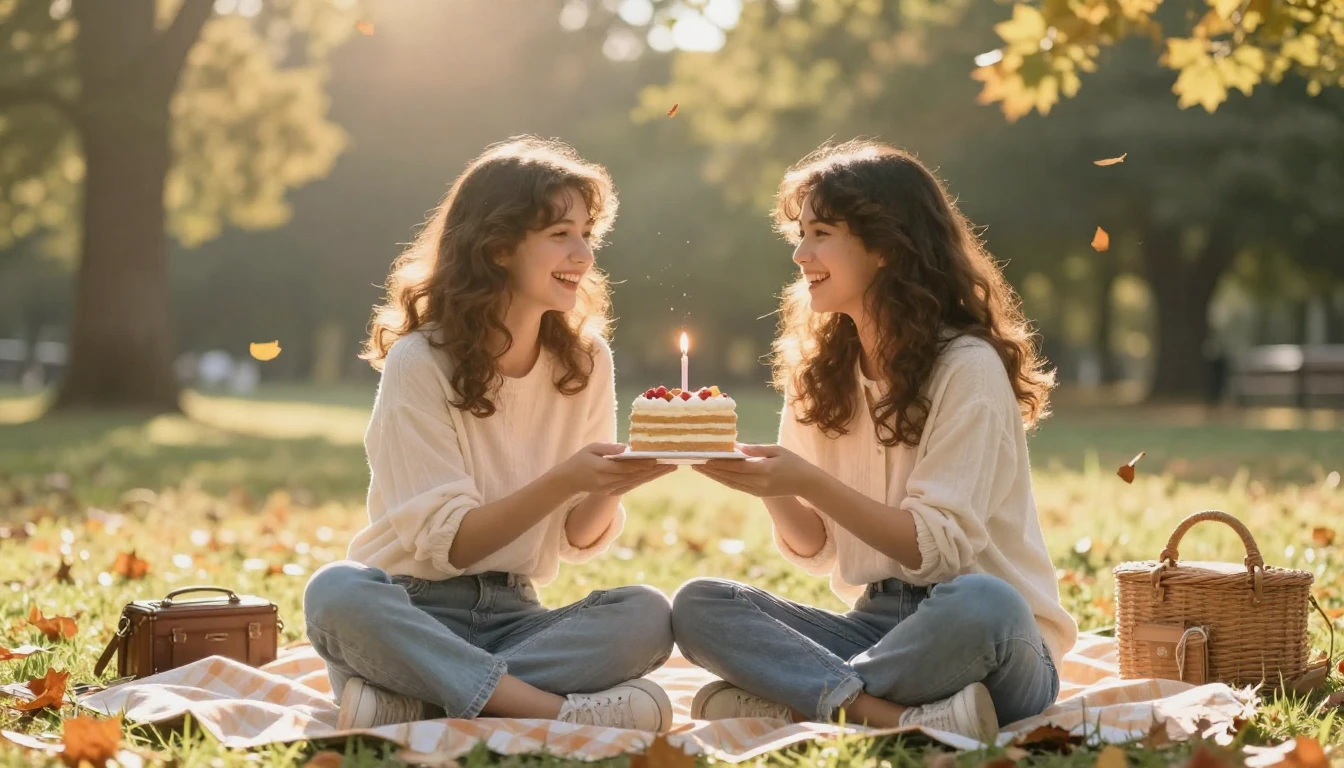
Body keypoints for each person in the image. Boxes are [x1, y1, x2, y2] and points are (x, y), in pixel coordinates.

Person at [673, 140, 1077, 743]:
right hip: (878, 628)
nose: (802, 253)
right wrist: (768, 485)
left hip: (988, 640)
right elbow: (816, 547)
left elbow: (936, 552)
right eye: (800, 234)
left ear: (886, 246)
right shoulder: (823, 371)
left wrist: (805, 479)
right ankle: (894, 719)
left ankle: (801, 700)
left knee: (983, 603)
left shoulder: (967, 366)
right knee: (699, 604)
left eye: (821, 233)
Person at [304, 137, 677, 731]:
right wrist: (568, 478)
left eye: (588, 234)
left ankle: (414, 696)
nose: (582, 253)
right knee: (335, 594)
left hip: (516, 614)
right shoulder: (419, 361)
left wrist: (612, 484)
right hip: (408, 605)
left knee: (647, 615)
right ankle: (547, 709)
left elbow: (577, 539)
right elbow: (451, 547)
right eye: (560, 234)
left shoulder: (587, 361)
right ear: (499, 246)